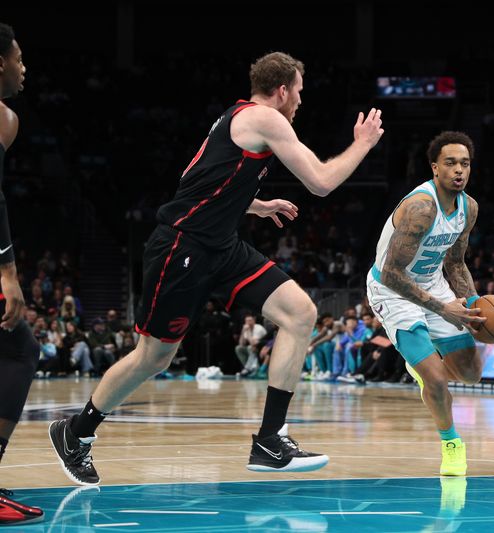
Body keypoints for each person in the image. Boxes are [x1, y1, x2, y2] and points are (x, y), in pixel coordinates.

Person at [49, 51, 384, 485]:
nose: (300, 101)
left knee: (300, 313)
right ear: (281, 90)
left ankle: (270, 438)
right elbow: (320, 181)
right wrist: (363, 144)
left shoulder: (234, 118)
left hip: (222, 247)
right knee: (153, 357)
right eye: (299, 91)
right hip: (182, 248)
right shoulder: (267, 118)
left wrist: (254, 204)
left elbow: (201, 179)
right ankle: (76, 434)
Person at [366, 131, 485, 476]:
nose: (459, 170)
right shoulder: (421, 207)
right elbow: (391, 273)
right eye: (450, 163)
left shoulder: (469, 208)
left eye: (464, 163)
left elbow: (456, 263)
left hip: (434, 284)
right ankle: (451, 444)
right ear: (435, 168)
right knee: (435, 379)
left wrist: (476, 304)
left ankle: (421, 365)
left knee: (471, 373)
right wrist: (441, 308)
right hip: (392, 290)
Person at [0, 22, 44, 525]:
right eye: (18, 57)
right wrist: (8, 272)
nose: (23, 67)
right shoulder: (4, 118)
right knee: (18, 348)